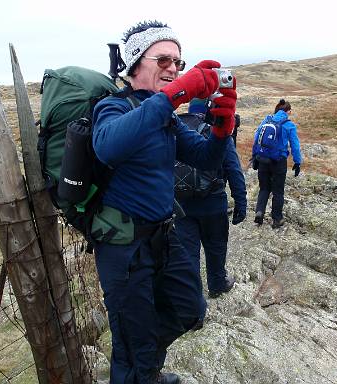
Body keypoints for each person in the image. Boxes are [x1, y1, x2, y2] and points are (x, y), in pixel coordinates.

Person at [91, 21, 237, 384]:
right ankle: (141, 370)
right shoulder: (113, 108)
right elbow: (108, 146)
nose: (174, 68)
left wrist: (223, 127)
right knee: (132, 343)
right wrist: (174, 95)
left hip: (162, 236)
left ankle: (142, 367)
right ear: (136, 63)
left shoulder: (166, 118)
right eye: (164, 59)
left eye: (179, 62)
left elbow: (204, 158)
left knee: (191, 309)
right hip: (122, 244)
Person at [174, 99, 247, 302]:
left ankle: (193, 304)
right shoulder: (215, 131)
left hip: (180, 205)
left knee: (188, 255)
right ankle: (216, 284)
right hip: (213, 203)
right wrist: (241, 202)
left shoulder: (175, 129)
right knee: (216, 246)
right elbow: (233, 169)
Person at [252, 99, 301, 229]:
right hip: (278, 161)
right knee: (278, 191)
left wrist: (254, 157)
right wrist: (297, 162)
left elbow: (256, 137)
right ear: (287, 111)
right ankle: (277, 219)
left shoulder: (267, 120)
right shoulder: (289, 125)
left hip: (262, 159)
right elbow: (295, 145)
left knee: (264, 188)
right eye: (290, 111)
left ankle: (259, 213)